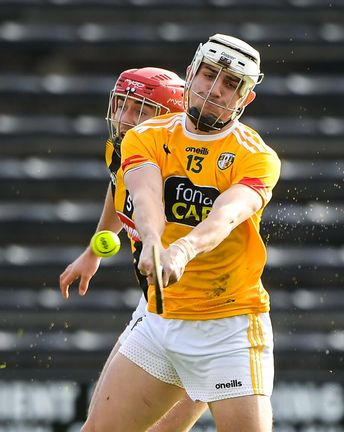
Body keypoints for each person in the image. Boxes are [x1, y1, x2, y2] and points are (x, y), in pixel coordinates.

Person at [81, 34, 281, 432]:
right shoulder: (146, 136)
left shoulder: (256, 157)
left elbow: (225, 216)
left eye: (231, 84)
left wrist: (182, 250)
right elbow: (144, 193)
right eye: (209, 75)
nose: (215, 90)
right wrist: (153, 240)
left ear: (246, 99)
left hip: (229, 327)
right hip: (161, 319)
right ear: (191, 73)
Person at [59, 67, 207, 431]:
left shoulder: (182, 169)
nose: (125, 119)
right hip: (157, 308)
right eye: (122, 105)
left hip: (202, 317)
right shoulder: (122, 149)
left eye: (140, 110)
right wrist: (94, 250)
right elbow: (118, 187)